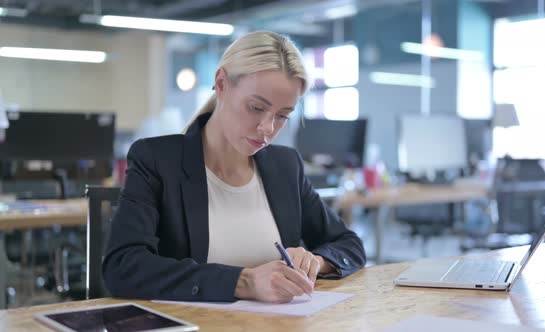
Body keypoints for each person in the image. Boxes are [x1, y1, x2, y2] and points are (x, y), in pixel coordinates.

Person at [103, 31, 366, 304]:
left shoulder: (285, 166)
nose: (267, 129)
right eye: (255, 107)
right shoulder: (157, 160)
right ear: (221, 83)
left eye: (282, 116)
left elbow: (349, 244)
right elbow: (123, 266)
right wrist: (243, 282)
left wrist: (316, 261)